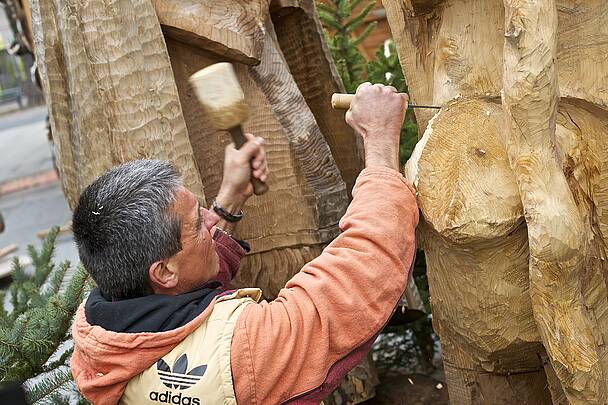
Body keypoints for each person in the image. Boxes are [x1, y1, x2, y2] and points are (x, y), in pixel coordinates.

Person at [70, 83, 419, 405]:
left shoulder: (101, 331)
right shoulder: (242, 353)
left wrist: (230, 200)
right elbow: (357, 281)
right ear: (163, 271)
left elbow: (181, 291)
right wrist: (380, 142)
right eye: (197, 223)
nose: (211, 219)